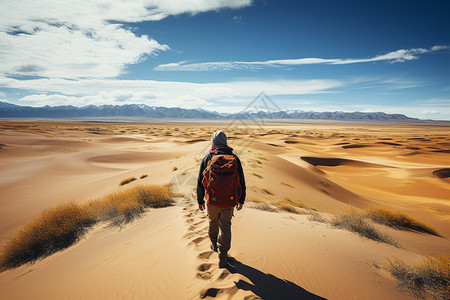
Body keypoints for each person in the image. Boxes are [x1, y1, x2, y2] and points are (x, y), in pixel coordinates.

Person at [197, 130, 246, 268]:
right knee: (225, 227)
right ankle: (223, 256)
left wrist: (200, 200)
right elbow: (241, 181)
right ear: (225, 141)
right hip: (229, 201)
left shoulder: (208, 157)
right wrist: (241, 199)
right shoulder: (234, 158)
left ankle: (213, 244)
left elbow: (200, 181)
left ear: (213, 141)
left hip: (211, 200)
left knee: (213, 222)